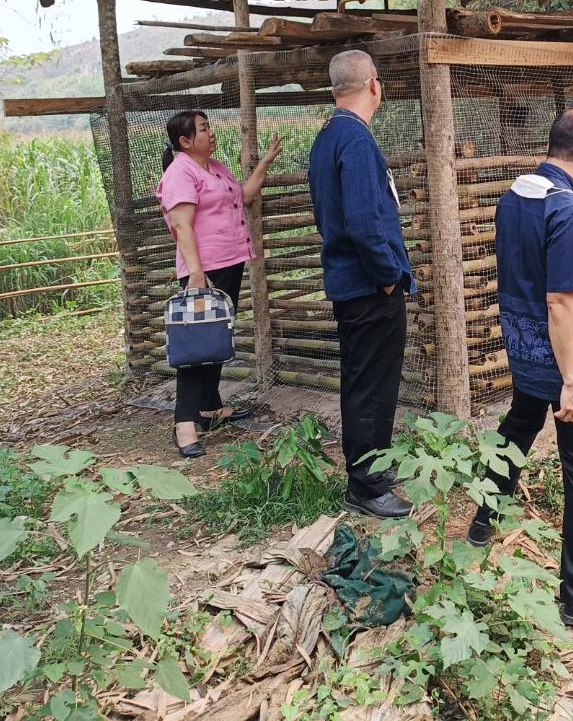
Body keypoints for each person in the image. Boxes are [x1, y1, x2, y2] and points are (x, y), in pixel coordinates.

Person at [467, 108, 573, 628]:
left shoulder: (514, 198)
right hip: (571, 358)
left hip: (526, 351)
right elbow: (561, 301)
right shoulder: (569, 212)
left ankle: (482, 522)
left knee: (518, 428)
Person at [308, 50, 414, 520]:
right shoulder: (355, 139)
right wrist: (388, 277)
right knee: (373, 385)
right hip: (369, 287)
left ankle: (371, 471)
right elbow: (364, 222)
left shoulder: (328, 136)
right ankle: (367, 485)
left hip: (349, 282)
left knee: (362, 381)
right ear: (374, 84)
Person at [158, 110, 282, 458]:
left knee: (214, 339)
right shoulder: (180, 172)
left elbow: (244, 196)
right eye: (203, 129)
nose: (210, 132)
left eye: (209, 126)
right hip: (205, 269)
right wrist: (196, 273)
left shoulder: (215, 167)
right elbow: (182, 225)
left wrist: (266, 162)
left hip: (229, 261)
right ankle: (184, 423)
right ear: (185, 141)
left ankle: (209, 409)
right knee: (196, 346)